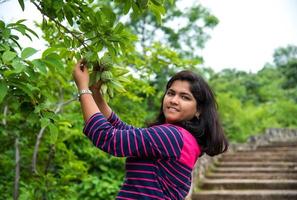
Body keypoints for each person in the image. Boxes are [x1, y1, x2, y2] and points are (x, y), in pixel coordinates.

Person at [73, 59, 228, 200]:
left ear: (198, 110)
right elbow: (122, 130)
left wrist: (83, 89)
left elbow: (108, 137)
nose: (174, 100)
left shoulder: (172, 136)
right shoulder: (183, 138)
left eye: (185, 97)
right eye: (171, 93)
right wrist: (96, 94)